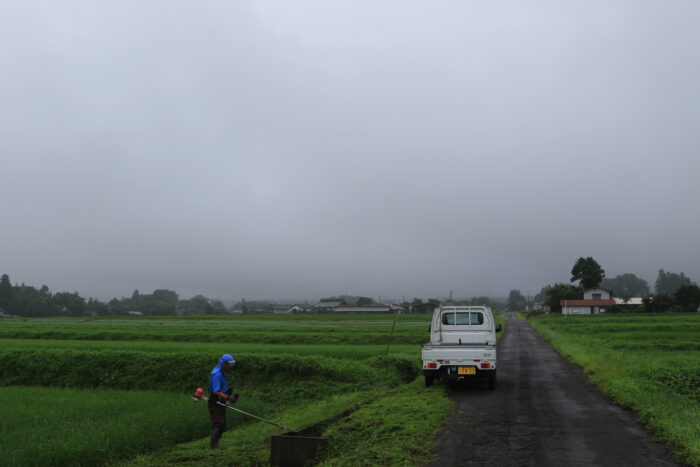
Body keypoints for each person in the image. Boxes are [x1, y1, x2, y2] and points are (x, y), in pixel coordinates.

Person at [208, 353, 239, 449]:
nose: (230, 367)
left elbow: (221, 389)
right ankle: (213, 446)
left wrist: (228, 393)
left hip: (221, 399)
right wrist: (227, 398)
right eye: (229, 365)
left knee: (223, 424)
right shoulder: (217, 374)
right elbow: (216, 391)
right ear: (223, 364)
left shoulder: (222, 373)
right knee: (218, 423)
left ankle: (215, 444)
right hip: (215, 400)